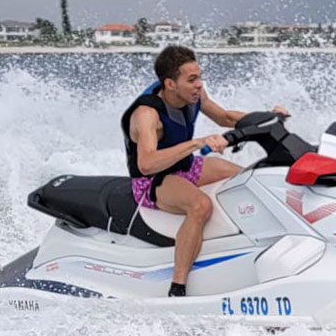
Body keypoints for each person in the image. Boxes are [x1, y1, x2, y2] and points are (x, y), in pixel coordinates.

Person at [121, 45, 287, 297]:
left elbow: (226, 118)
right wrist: (197, 143)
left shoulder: (194, 95)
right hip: (153, 182)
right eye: (191, 79)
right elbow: (147, 163)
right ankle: (178, 287)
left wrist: (269, 118)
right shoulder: (147, 114)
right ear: (170, 84)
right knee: (200, 206)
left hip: (185, 166)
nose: (199, 84)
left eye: (199, 77)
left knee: (250, 178)